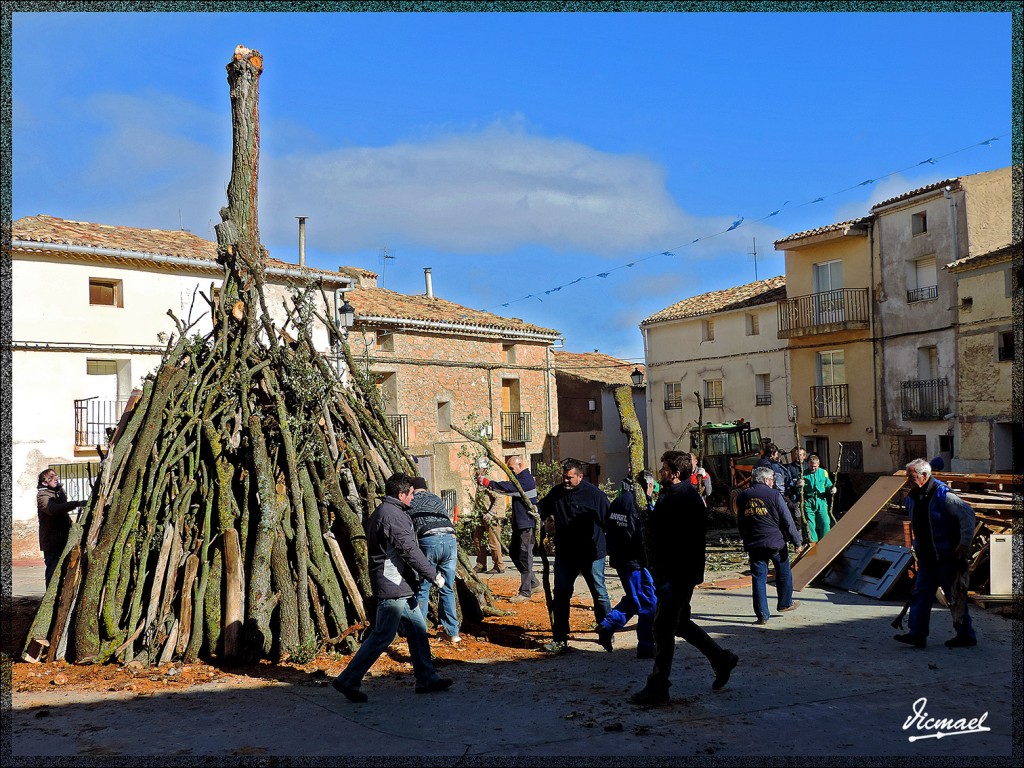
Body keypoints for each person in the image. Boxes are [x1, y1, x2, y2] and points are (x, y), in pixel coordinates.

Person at [332, 473, 453, 702]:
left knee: (417, 631)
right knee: (382, 636)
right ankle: (348, 680)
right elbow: (408, 549)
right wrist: (432, 574)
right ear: (401, 494)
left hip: (400, 585)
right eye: (410, 494)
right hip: (393, 585)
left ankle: (427, 678)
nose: (412, 499)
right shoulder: (393, 516)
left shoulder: (387, 511)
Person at [630, 451, 739, 706]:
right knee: (680, 624)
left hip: (676, 575)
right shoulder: (679, 496)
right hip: (678, 574)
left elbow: (669, 536)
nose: (661, 472)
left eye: (665, 468)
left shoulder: (682, 500)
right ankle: (722, 659)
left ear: (675, 473)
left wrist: (647, 511)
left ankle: (658, 686)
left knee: (663, 627)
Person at [894, 458, 978, 649]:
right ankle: (917, 634)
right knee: (921, 595)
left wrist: (965, 543)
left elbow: (967, 515)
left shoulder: (942, 494)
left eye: (911, 476)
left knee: (954, 596)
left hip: (946, 557)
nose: (908, 479)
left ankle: (966, 635)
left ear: (924, 475)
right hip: (927, 557)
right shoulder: (912, 497)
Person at [537, 459, 612, 655]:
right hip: (566, 553)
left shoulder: (595, 496)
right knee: (561, 594)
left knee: (599, 592)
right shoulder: (557, 492)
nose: (566, 480)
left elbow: (608, 523)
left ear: (580, 476)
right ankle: (560, 638)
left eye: (570, 477)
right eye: (564, 476)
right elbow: (541, 508)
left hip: (592, 553)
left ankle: (606, 630)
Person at [597, 471, 657, 658]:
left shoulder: (617, 502)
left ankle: (607, 626)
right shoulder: (639, 506)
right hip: (637, 563)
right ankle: (646, 646)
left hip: (621, 559)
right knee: (648, 603)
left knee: (634, 598)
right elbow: (643, 535)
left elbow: (610, 529)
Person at [735, 466, 802, 625]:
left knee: (758, 578)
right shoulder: (774, 495)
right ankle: (785, 603)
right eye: (772, 479)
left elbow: (740, 521)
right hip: (775, 543)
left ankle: (762, 615)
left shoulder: (742, 496)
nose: (773, 482)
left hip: (754, 543)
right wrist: (796, 541)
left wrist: (745, 539)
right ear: (765, 480)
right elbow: (787, 520)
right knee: (784, 572)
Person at [408, 476, 461, 644]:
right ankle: (452, 632)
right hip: (450, 539)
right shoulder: (436, 498)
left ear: (412, 489)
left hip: (429, 540)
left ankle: (419, 631)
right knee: (447, 587)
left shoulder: (411, 500)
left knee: (423, 587)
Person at [478, 455, 538, 601]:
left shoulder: (525, 480)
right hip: (520, 524)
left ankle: (525, 592)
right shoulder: (520, 479)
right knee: (513, 552)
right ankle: (534, 583)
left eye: (511, 468)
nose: (510, 472)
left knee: (525, 557)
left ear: (520, 465)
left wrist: (487, 482)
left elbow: (509, 488)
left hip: (527, 525)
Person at [36, 468, 86, 588]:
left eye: (55, 476)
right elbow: (53, 510)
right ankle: (50, 598)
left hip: (64, 538)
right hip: (52, 541)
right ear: (44, 483)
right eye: (50, 478)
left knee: (67, 570)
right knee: (53, 572)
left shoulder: (59, 492)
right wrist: (75, 503)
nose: (55, 478)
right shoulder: (42, 496)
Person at [800, 454, 835, 543]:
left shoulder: (823, 472)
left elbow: (829, 485)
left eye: (815, 467)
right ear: (808, 464)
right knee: (810, 525)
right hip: (808, 501)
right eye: (811, 466)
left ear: (818, 464)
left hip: (821, 500)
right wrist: (799, 485)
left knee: (825, 522)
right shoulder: (803, 474)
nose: (813, 468)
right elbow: (798, 491)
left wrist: (832, 489)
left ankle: (825, 542)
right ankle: (813, 544)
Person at [472, 483, 506, 574]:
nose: (475, 471)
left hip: (493, 517)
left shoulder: (489, 481)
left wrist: (491, 513)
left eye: (477, 469)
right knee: (477, 539)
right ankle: (481, 564)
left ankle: (499, 566)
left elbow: (499, 498)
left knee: (493, 541)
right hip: (481, 515)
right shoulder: (479, 482)